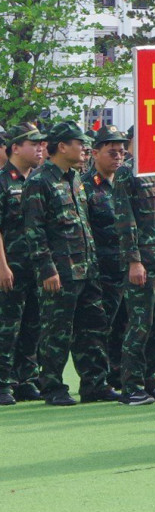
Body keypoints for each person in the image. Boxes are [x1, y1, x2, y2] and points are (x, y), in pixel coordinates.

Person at [21, 121, 94, 405]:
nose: (84, 148)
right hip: (60, 272)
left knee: (91, 329)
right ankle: (52, 386)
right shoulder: (40, 181)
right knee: (56, 332)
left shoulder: (75, 177)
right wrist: (46, 269)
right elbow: (34, 230)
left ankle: (94, 384)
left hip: (86, 267)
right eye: (78, 143)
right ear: (62, 146)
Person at [74, 125, 136, 402]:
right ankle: (93, 383)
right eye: (112, 151)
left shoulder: (124, 183)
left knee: (124, 325)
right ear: (95, 153)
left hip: (126, 268)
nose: (118, 156)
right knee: (95, 328)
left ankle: (116, 376)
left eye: (122, 151)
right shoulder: (84, 186)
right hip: (99, 270)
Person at [114, 131, 155, 405]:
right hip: (143, 262)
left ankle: (152, 379)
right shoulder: (128, 171)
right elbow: (125, 218)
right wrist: (133, 260)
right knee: (139, 325)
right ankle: (132, 385)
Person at [0, 123, 48, 404]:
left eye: (42, 143)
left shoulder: (39, 180)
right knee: (8, 327)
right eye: (34, 143)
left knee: (33, 325)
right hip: (11, 267)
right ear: (15, 147)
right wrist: (3, 266)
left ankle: (26, 380)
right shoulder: (4, 181)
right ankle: (3, 382)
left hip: (36, 266)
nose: (40, 148)